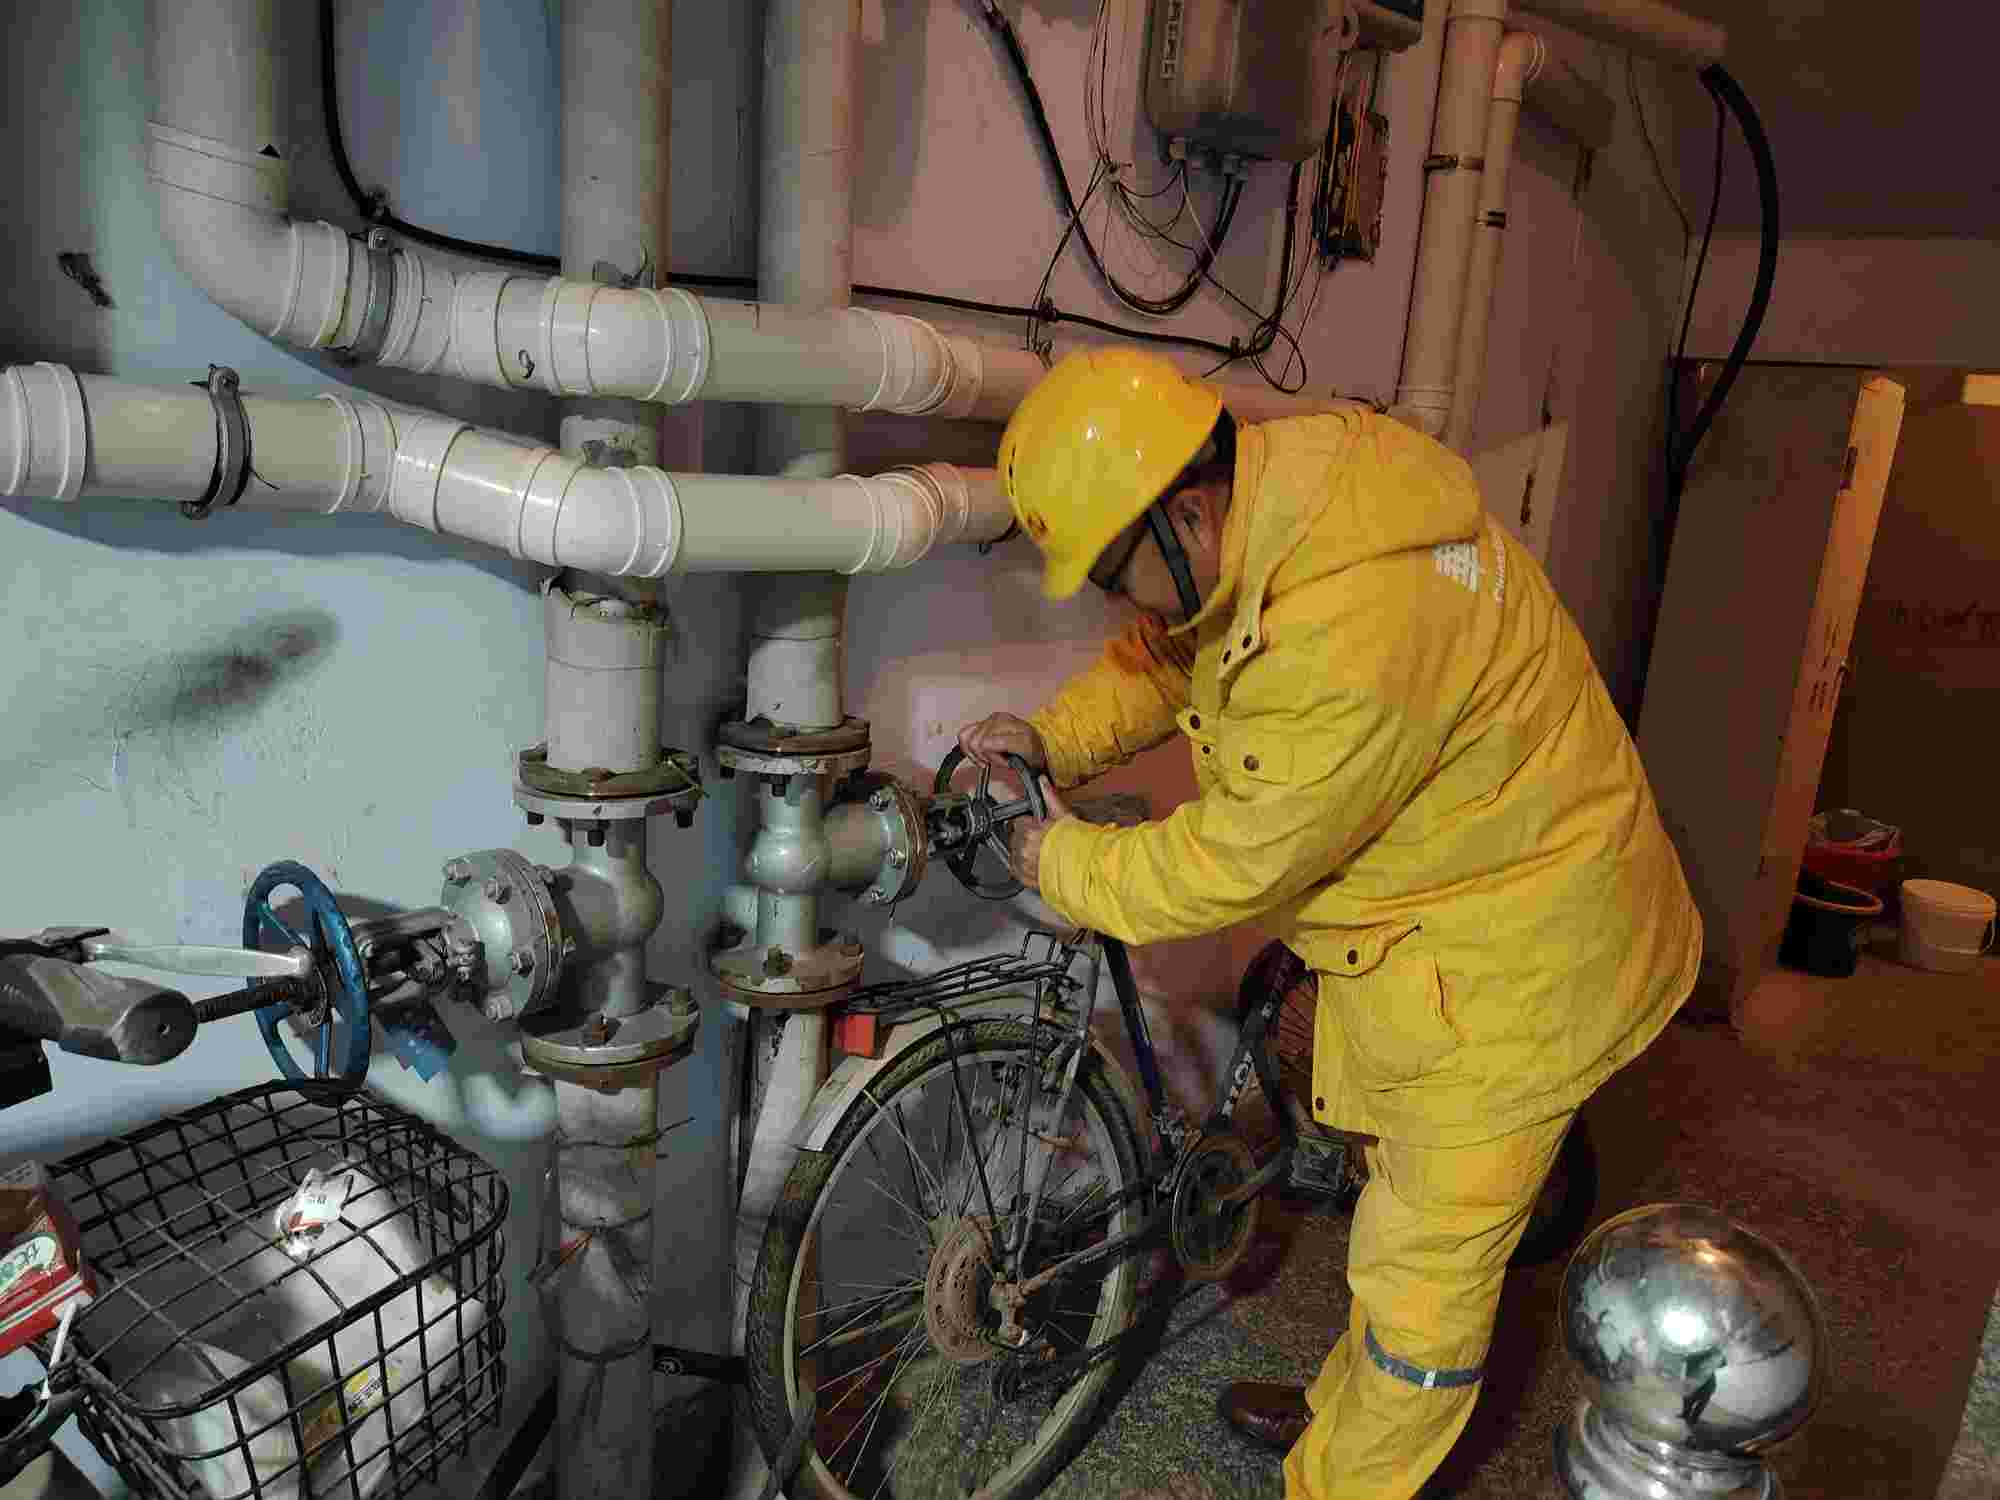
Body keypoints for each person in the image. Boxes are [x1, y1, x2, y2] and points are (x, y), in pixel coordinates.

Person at [957, 348, 1701, 1500]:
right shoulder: (1284, 500)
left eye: (1111, 572)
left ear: (1185, 514)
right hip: (1450, 907)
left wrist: (1050, 856)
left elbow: (1229, 859)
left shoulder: (1354, 627)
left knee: (1420, 1290)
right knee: (1386, 1207)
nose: (1115, 601)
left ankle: (1345, 1473)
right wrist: (1050, 739)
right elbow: (1165, 656)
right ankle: (1337, 1418)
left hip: (1519, 962)